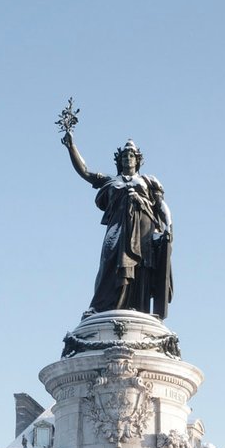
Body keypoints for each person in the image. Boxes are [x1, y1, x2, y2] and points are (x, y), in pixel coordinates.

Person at [61, 131, 173, 317]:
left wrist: (169, 226)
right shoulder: (111, 181)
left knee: (141, 267)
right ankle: (100, 306)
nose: (128, 159)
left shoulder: (148, 181)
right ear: (119, 161)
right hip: (117, 229)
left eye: (131, 156)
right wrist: (71, 146)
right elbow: (85, 172)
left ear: (137, 160)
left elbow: (161, 205)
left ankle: (138, 307)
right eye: (124, 156)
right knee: (109, 262)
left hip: (143, 229)